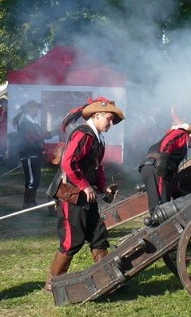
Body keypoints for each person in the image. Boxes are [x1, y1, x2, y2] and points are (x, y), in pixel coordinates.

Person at [43, 97, 124, 293]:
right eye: (109, 119)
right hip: (72, 195)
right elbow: (68, 163)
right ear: (96, 116)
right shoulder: (83, 135)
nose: (111, 123)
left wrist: (103, 186)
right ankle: (52, 284)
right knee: (72, 241)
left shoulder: (97, 138)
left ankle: (107, 279)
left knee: (98, 236)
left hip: (86, 195)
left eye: (113, 120)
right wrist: (84, 185)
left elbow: (97, 167)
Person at [138, 122, 191, 215]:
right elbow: (168, 142)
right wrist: (163, 159)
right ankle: (159, 225)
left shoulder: (178, 137)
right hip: (156, 168)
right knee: (161, 205)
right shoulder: (182, 134)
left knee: (157, 202)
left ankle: (157, 221)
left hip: (150, 167)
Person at [12, 100, 54, 208]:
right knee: (31, 179)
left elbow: (39, 135)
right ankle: (27, 202)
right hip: (28, 154)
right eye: (36, 109)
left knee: (36, 178)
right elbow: (32, 138)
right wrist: (45, 135)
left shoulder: (32, 122)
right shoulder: (26, 122)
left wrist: (50, 133)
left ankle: (32, 201)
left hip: (35, 153)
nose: (37, 111)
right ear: (31, 109)